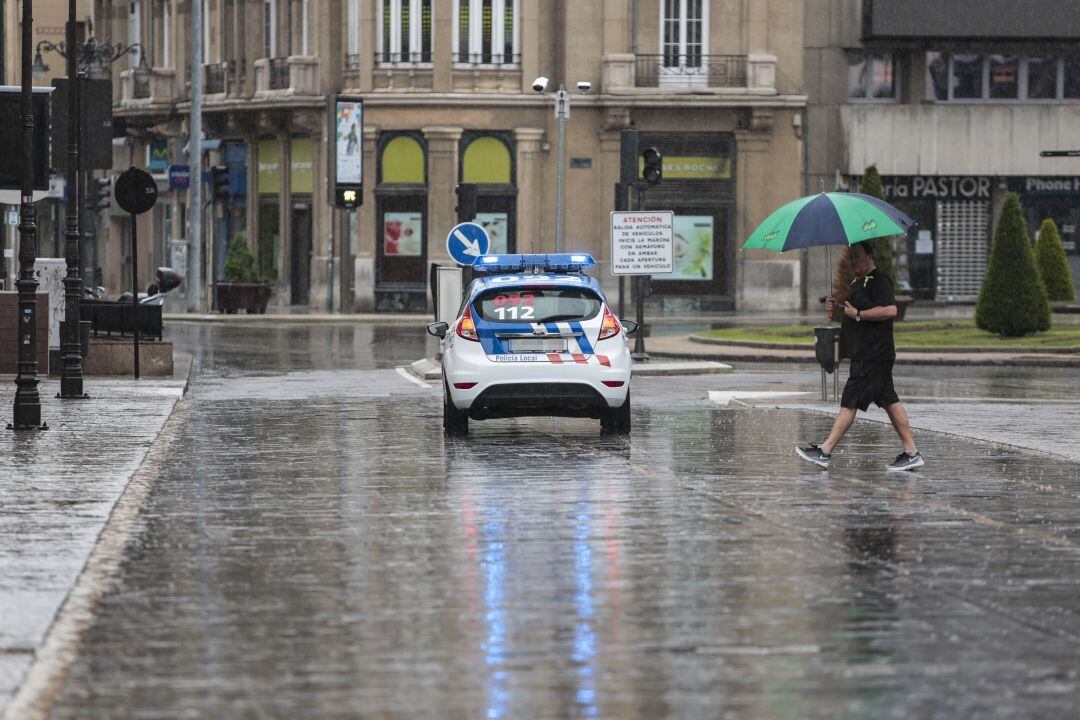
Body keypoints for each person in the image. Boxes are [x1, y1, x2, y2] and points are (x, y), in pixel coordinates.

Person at [796, 240, 924, 471]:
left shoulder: (879, 280)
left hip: (874, 354)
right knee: (889, 400)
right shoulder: (858, 283)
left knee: (850, 401)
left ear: (870, 256)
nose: (853, 261)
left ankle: (825, 451)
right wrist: (835, 309)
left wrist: (859, 314)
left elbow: (890, 310)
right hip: (866, 352)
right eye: (851, 257)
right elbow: (852, 315)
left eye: (857, 256)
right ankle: (911, 451)